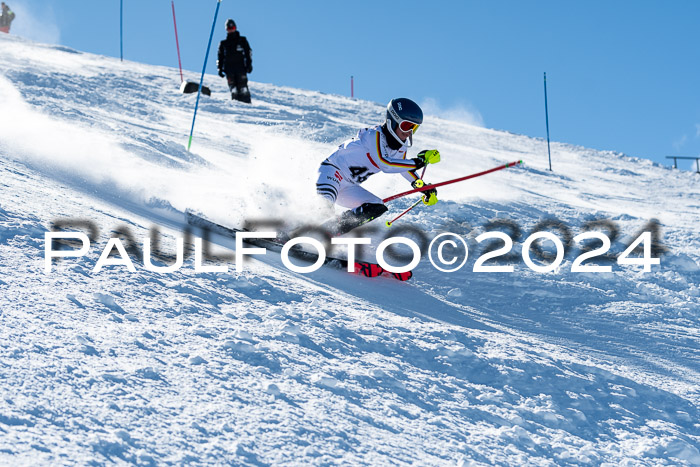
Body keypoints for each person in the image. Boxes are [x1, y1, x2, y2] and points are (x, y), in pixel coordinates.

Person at [316, 98, 441, 236]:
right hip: (332, 173)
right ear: (392, 121)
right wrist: (418, 162)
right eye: (406, 126)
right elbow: (385, 164)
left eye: (414, 128)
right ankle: (295, 234)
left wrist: (422, 187)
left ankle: (329, 232)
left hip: (349, 187)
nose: (409, 132)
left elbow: (403, 167)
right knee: (324, 211)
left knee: (376, 207)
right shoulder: (373, 135)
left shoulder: (400, 147)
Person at [217, 19, 253, 103]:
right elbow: (220, 56)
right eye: (229, 28)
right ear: (226, 30)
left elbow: (248, 53)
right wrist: (219, 68)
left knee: (243, 88)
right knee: (234, 90)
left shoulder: (242, 40)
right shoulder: (223, 43)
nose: (231, 30)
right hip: (229, 69)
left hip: (240, 68)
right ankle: (237, 106)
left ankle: (247, 105)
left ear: (235, 28)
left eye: (232, 27)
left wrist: (249, 64)